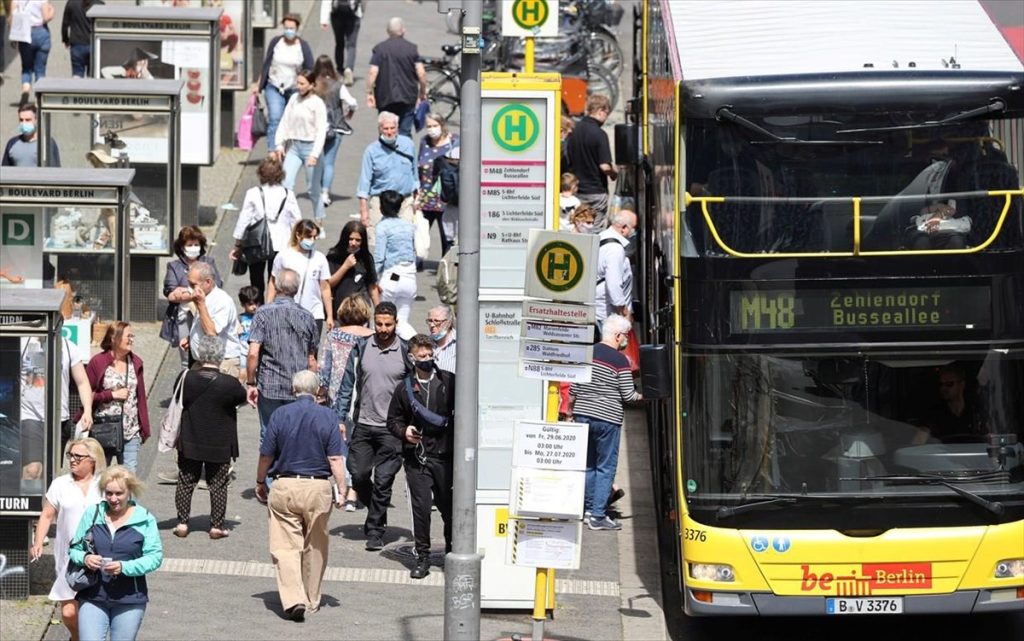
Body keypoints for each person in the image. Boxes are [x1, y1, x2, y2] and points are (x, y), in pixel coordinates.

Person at [255, 370, 347, 622]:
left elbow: (266, 455)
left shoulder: (280, 415)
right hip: (318, 487)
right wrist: (342, 488)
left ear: (293, 390)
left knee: (285, 547)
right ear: (318, 391)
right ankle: (312, 598)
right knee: (315, 545)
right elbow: (335, 458)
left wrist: (261, 481)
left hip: (285, 484)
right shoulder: (328, 416)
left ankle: (293, 598)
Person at [334, 302, 411, 551]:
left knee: (384, 481)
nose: (383, 328)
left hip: (392, 429)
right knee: (358, 474)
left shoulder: (405, 352)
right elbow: (347, 383)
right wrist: (340, 417)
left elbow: (414, 391)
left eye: (388, 324)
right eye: (379, 324)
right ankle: (377, 513)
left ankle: (376, 530)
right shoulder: (363, 347)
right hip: (364, 424)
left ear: (396, 323)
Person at [387, 334, 455, 578]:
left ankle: (451, 552)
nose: (427, 359)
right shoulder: (404, 388)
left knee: (449, 509)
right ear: (412, 357)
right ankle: (423, 556)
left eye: (430, 355)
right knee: (421, 509)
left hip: (445, 457)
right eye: (422, 356)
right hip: (417, 458)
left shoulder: (449, 381)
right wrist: (404, 431)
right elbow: (392, 420)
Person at [67, 465, 162, 641]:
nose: (113, 498)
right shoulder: (93, 514)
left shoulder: (145, 519)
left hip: (130, 598)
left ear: (130, 492)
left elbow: (154, 558)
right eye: (109, 493)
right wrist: (86, 558)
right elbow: (74, 549)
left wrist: (124, 567)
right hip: (93, 595)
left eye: (119, 493)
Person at [569, 315, 641, 530]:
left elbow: (574, 388)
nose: (626, 340)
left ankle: (588, 509)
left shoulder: (587, 353)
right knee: (605, 467)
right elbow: (628, 395)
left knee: (588, 465)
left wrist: (571, 412)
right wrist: (642, 395)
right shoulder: (620, 361)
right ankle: (598, 516)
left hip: (583, 414)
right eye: (625, 336)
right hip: (607, 419)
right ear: (618, 336)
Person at [172, 336, 247, 540]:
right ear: (221, 355)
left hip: (190, 439)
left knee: (186, 481)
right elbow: (242, 397)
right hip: (220, 442)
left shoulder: (185, 378)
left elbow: (177, 396)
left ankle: (182, 523)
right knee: (218, 484)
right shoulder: (229, 383)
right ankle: (216, 526)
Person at [30, 438, 105, 641]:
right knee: (69, 613)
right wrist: (38, 542)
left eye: (78, 456)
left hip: (98, 556)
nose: (72, 460)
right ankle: (77, 637)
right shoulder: (61, 484)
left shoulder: (104, 484)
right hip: (68, 557)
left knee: (92, 609)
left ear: (93, 459)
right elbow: (46, 515)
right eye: (70, 455)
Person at [246, 268, 319, 443]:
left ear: (276, 286)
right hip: (298, 387)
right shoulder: (307, 317)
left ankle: (270, 470)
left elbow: (253, 354)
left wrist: (250, 382)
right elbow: (312, 359)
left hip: (269, 385)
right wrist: (314, 390)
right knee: (295, 437)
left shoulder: (262, 313)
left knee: (268, 434)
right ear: (297, 289)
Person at [319, 294, 373, 511]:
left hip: (337, 398)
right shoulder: (373, 336)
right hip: (365, 398)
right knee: (361, 445)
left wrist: (321, 392)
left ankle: (343, 489)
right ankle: (354, 490)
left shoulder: (334, 335)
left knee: (340, 445)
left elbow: (325, 369)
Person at [230, 156, 302, 299]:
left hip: (256, 243)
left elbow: (244, 220)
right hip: (282, 244)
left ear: (261, 174)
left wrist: (238, 245)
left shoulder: (253, 193)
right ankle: (273, 307)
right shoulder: (288, 194)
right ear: (280, 174)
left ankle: (258, 307)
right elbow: (297, 221)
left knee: (256, 279)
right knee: (275, 279)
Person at [84, 322, 150, 471]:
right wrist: (111, 395)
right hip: (103, 428)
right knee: (99, 476)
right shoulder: (98, 362)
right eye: (128, 336)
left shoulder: (135, 362)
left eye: (132, 336)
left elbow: (140, 397)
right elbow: (87, 395)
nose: (131, 339)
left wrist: (144, 427)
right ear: (114, 338)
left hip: (130, 431)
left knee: (129, 479)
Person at [161, 226, 223, 371]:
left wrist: (185, 293)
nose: (193, 248)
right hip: (183, 316)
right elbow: (171, 293)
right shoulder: (174, 266)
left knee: (207, 353)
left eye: (196, 244)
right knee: (185, 357)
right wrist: (192, 293)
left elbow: (216, 285)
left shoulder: (209, 262)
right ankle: (186, 386)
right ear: (182, 247)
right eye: (189, 245)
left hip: (207, 313)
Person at [253, 13, 314, 153]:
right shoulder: (276, 42)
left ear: (297, 29)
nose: (289, 31)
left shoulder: (303, 46)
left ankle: (285, 149)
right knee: (275, 117)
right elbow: (267, 63)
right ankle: (272, 152)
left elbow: (310, 68)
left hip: (294, 89)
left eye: (292, 28)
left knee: (290, 121)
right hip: (274, 86)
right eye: (286, 27)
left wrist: (308, 87)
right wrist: (258, 84)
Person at [274, 68, 328, 224]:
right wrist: (280, 144)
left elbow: (320, 131)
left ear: (311, 85)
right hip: (295, 147)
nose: (299, 86)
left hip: (311, 148)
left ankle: (319, 220)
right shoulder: (293, 99)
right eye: (298, 83)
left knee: (313, 190)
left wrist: (315, 154)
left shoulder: (317, 103)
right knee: (285, 184)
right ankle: (290, 220)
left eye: (302, 83)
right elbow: (285, 121)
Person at [356, 111, 418, 247]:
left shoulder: (408, 144)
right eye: (386, 128)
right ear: (380, 129)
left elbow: (415, 173)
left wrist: (417, 199)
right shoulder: (371, 151)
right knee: (377, 239)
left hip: (404, 200)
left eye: (392, 128)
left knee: (405, 237)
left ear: (397, 128)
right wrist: (364, 211)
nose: (389, 132)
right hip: (380, 201)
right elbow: (364, 182)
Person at [267, 219, 333, 334]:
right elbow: (273, 283)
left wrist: (330, 316)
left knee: (311, 350)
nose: (311, 240)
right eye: (308, 236)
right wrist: (268, 307)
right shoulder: (283, 256)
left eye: (314, 237)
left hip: (314, 313)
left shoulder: (319, 258)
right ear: (298, 235)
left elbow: (325, 288)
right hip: (287, 312)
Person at [365, 17, 427, 137]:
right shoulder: (411, 48)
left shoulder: (380, 49)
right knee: (405, 131)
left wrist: (370, 93)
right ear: (403, 30)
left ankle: (386, 152)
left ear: (388, 31)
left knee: (386, 130)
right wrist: (422, 91)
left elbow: (373, 72)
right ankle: (404, 153)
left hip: (385, 96)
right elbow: (421, 73)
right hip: (408, 95)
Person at [182, 262, 245, 379]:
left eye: (193, 285)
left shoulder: (222, 300)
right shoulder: (204, 297)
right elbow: (203, 324)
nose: (189, 288)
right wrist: (191, 338)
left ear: (208, 282)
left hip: (222, 364)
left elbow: (212, 333)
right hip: (203, 363)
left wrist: (200, 305)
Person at [565, 94, 618, 228]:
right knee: (593, 231)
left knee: (578, 228)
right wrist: (614, 173)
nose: (606, 118)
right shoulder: (600, 134)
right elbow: (604, 166)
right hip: (595, 192)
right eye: (607, 114)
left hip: (575, 190)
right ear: (601, 111)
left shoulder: (573, 130)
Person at [312, 54, 357, 208]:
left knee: (318, 160)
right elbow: (352, 102)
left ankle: (317, 190)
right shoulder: (338, 85)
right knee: (329, 162)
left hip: (316, 129)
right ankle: (325, 193)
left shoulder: (313, 85)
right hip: (336, 127)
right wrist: (349, 113)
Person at [416, 113, 459, 256]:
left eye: (435, 125)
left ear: (442, 125)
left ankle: (446, 267)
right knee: (420, 236)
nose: (432, 129)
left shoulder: (454, 141)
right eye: (428, 126)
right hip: (426, 198)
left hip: (445, 198)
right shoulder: (424, 142)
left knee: (447, 236)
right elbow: (419, 166)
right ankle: (417, 262)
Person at [374, 190, 417, 324]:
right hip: (410, 278)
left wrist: (373, 279)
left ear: (381, 207)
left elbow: (379, 258)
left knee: (385, 324)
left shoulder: (382, 227)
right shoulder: (409, 226)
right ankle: (414, 342)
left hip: (391, 277)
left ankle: (418, 342)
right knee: (402, 323)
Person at [915, 364, 983, 444]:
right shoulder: (934, 414)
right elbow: (918, 442)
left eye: (949, 384)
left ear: (961, 385)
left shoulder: (976, 411)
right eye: (941, 384)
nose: (944, 388)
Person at [595, 210, 637, 327]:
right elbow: (613, 285)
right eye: (633, 228)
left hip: (600, 312)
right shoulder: (615, 249)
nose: (633, 233)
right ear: (623, 228)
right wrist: (625, 313)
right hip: (607, 316)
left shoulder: (601, 237)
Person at [326, 220, 379, 311]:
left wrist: (379, 310)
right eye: (350, 239)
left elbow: (372, 287)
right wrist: (345, 266)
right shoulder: (333, 256)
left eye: (358, 240)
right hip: (340, 310)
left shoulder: (366, 258)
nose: (353, 243)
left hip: (361, 311)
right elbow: (328, 284)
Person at [11, 0, 54, 107]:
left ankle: (25, 90)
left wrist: (13, 37)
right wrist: (52, 11)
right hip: (40, 32)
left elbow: (13, 17)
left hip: (24, 34)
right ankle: (38, 97)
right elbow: (46, 17)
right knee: (40, 69)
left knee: (26, 67)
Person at [320, 0, 362, 86]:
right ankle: (349, 69)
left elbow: (326, 1)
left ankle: (339, 70)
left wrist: (324, 20)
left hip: (336, 15)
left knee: (339, 43)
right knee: (351, 45)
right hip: (353, 14)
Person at [61, 0, 102, 78]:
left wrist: (65, 40)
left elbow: (65, 24)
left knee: (77, 73)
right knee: (93, 74)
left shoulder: (71, 3)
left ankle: (76, 89)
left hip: (77, 44)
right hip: (94, 44)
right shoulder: (99, 4)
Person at [426, 304, 456, 374]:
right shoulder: (425, 343)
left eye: (437, 321)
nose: (432, 325)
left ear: (449, 322)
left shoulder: (460, 344)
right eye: (430, 321)